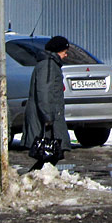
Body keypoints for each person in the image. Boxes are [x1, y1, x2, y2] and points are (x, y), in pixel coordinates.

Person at [24, 35, 71, 171]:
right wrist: (48, 116)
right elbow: (44, 91)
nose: (65, 55)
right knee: (51, 153)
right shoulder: (48, 65)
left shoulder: (50, 64)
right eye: (64, 52)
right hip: (47, 117)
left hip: (50, 114)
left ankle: (35, 178)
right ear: (57, 51)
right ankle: (33, 179)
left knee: (51, 153)